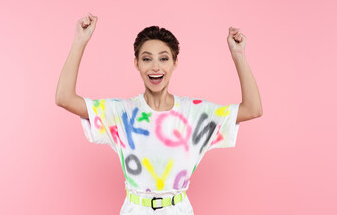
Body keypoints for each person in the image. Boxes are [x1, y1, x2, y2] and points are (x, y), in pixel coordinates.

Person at [55, 13, 263, 215]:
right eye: (147, 59)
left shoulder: (195, 113)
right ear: (136, 63)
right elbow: (64, 98)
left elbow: (252, 109)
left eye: (163, 59)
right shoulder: (120, 112)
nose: (155, 67)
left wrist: (238, 54)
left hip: (178, 209)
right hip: (135, 209)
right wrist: (80, 41)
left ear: (174, 63)